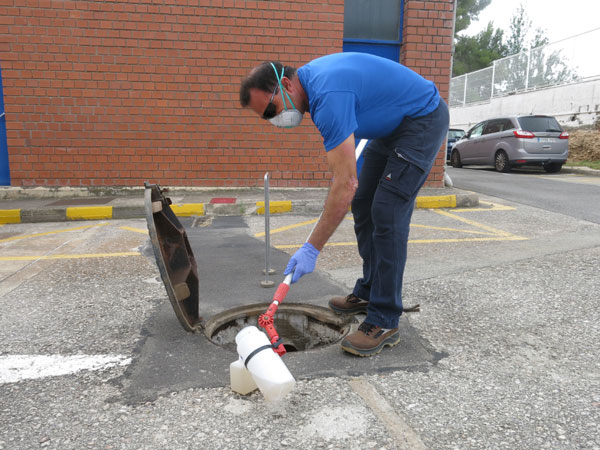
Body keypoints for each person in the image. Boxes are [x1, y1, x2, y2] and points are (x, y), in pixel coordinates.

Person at [239, 52, 449, 357]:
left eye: (271, 109)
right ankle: (369, 291)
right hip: (392, 129)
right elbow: (352, 189)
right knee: (364, 203)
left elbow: (344, 184)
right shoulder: (314, 87)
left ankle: (385, 318)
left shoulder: (327, 96)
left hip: (422, 119)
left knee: (387, 210)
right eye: (266, 117)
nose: (273, 120)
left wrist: (312, 248)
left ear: (286, 84)